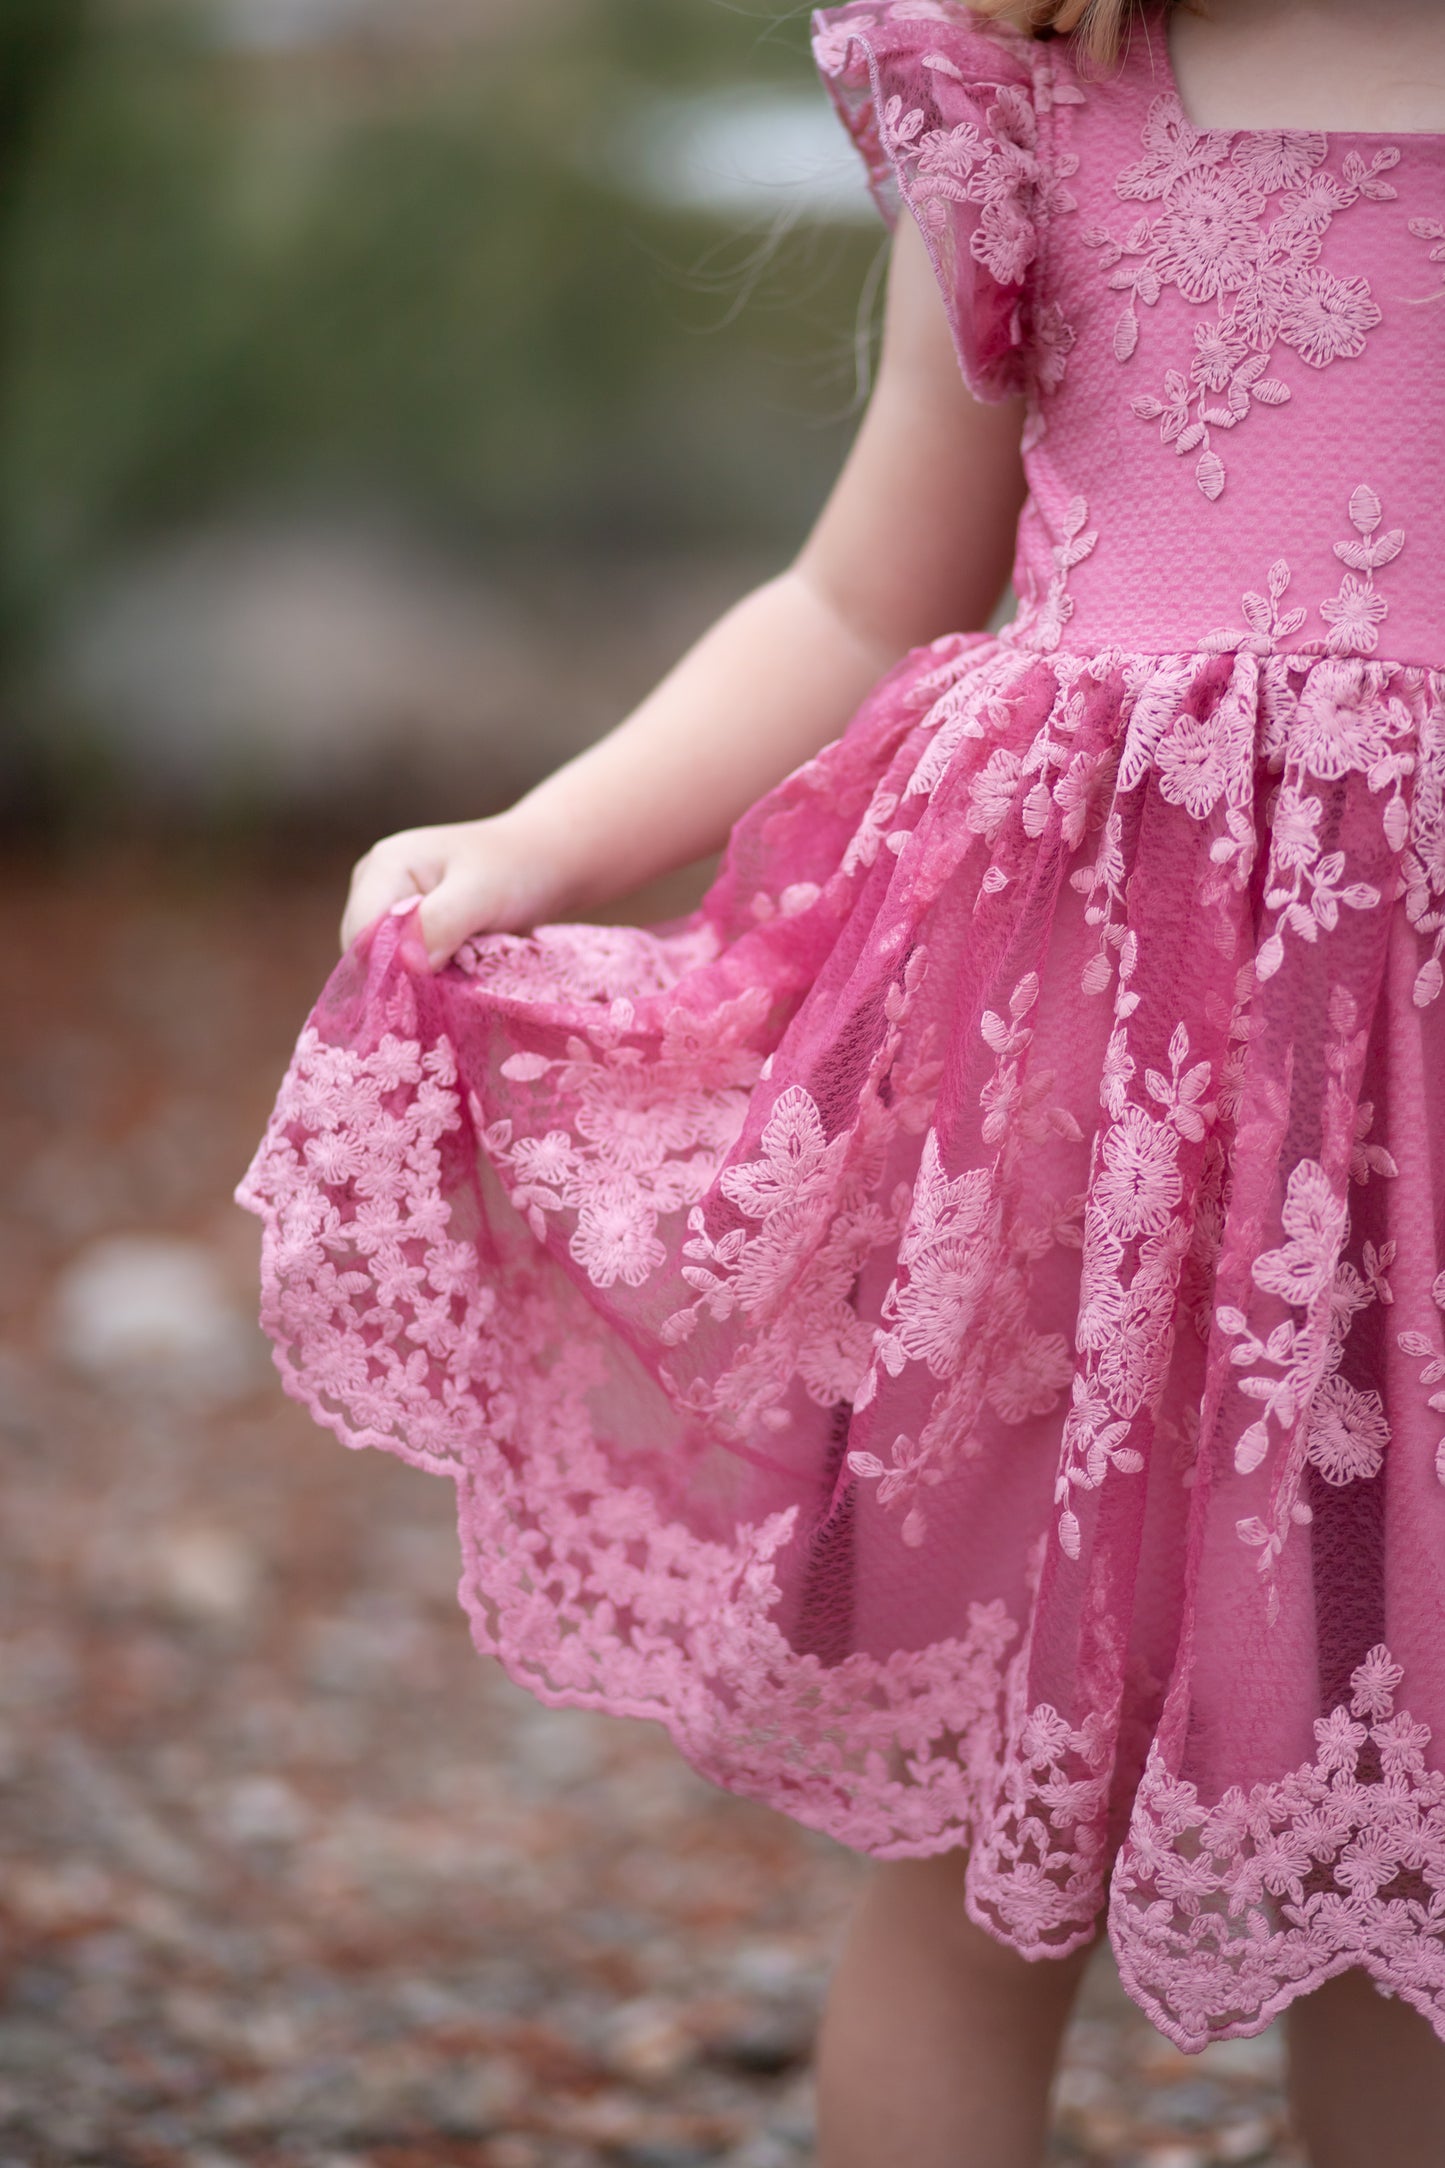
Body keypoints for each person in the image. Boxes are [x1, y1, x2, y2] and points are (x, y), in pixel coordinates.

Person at [238, 1, 1445, 2159]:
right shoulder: (1047, 93)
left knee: (1406, 1847)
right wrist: (543, 837)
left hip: (1423, 1154)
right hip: (1089, 1112)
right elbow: (856, 589)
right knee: (996, 1822)